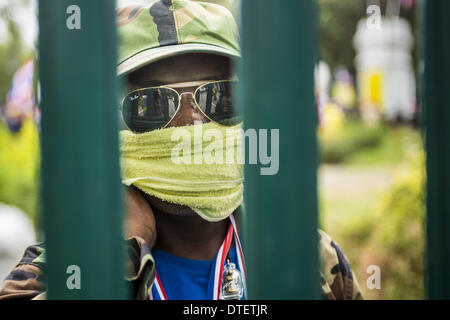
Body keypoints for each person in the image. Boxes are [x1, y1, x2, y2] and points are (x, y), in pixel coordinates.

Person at [0, 0, 362, 300]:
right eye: (152, 104)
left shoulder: (310, 258)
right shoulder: (58, 272)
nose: (193, 123)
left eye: (220, 96)